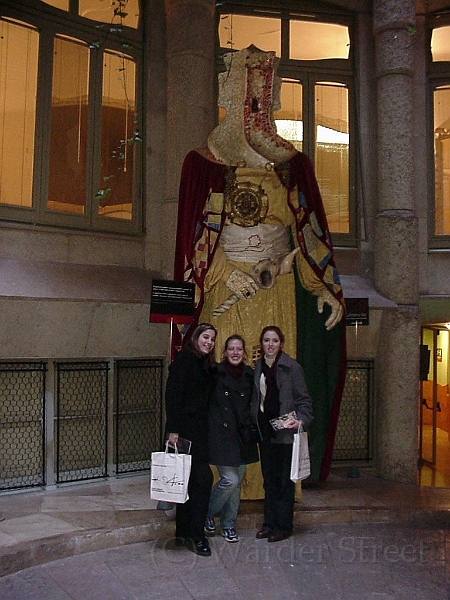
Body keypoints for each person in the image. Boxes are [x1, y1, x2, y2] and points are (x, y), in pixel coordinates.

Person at [172, 45, 346, 485]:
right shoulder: (203, 166)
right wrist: (224, 273)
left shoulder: (292, 168)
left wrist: (318, 284)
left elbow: (306, 234)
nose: (253, 100)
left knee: (274, 383)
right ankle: (216, 482)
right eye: (245, 86)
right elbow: (195, 241)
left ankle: (276, 488)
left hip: (276, 291)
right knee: (223, 386)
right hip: (224, 290)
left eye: (261, 89)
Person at [252, 325, 313, 543]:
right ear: (261, 344)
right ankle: (269, 524)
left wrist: (300, 420)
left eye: (274, 341)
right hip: (266, 434)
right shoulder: (257, 367)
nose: (270, 345)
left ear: (281, 344)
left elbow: (304, 402)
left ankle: (283, 526)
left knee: (285, 483)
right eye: (266, 340)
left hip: (286, 436)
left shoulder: (292, 367)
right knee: (269, 481)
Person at [165, 322, 217, 557]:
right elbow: (173, 395)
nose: (209, 342)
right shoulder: (185, 360)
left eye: (212, 339)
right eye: (206, 337)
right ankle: (196, 535)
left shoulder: (205, 364)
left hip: (200, 433)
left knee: (193, 482)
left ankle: (185, 531)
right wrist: (173, 430)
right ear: (196, 338)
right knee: (199, 481)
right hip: (184, 433)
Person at [205, 334, 259, 543]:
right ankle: (206, 512)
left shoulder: (249, 375)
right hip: (221, 436)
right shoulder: (214, 373)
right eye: (231, 349)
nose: (235, 353)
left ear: (244, 353)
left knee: (236, 486)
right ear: (224, 352)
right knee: (230, 480)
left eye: (238, 349)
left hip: (243, 437)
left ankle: (228, 525)